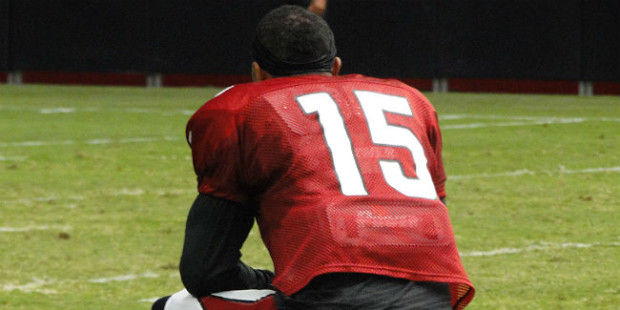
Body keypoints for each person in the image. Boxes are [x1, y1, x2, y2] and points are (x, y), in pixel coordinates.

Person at [152, 4, 474, 310]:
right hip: (433, 299)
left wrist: (268, 279)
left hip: (328, 300)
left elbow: (204, 271)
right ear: (335, 67)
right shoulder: (411, 102)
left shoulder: (241, 110)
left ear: (257, 74)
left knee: (176, 306)